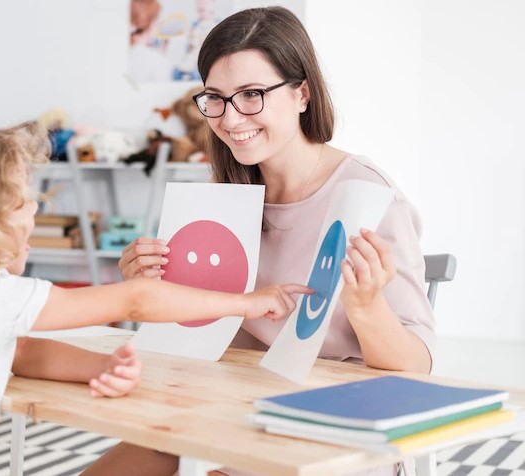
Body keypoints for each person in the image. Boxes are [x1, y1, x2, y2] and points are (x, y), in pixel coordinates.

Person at [0, 121, 311, 475]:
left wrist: (92, 369)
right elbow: (137, 300)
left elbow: (19, 351)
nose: (35, 209)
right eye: (21, 200)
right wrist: (247, 303)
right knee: (162, 454)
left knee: (158, 454)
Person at [84, 6, 435, 476]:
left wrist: (367, 304)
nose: (230, 119)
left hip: (343, 431)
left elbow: (418, 367)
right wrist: (148, 285)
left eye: (252, 95)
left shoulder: (368, 198)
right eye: (216, 98)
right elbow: (203, 329)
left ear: (302, 93)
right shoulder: (224, 195)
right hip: (238, 409)